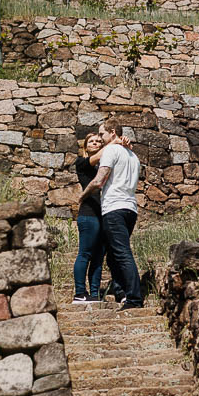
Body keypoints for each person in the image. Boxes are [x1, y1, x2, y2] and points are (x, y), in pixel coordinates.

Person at [77, 117, 143, 310]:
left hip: (114, 208)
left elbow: (99, 180)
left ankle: (134, 298)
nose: (100, 137)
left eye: (103, 134)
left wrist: (82, 195)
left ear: (113, 133)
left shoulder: (112, 150)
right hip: (131, 208)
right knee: (114, 255)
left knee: (121, 253)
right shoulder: (133, 155)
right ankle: (123, 292)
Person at [72, 132, 111, 304]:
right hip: (88, 215)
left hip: (103, 215)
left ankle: (94, 294)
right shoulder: (82, 163)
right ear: (85, 147)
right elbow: (100, 155)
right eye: (92, 142)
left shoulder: (104, 167)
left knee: (98, 256)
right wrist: (116, 141)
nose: (95, 143)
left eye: (98, 141)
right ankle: (80, 293)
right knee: (85, 254)